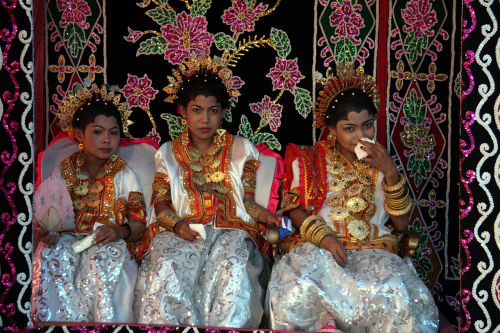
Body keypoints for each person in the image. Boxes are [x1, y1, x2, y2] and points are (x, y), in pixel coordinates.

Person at [266, 64, 439, 332]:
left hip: (374, 250)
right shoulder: (310, 160)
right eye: (350, 128)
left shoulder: (382, 162)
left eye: (368, 125)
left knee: (393, 293)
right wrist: (323, 236)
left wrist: (391, 172)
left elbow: (402, 226)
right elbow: (294, 210)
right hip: (321, 248)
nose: (361, 136)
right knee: (297, 287)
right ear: (331, 129)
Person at [134, 54, 280, 328]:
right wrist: (176, 225)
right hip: (181, 228)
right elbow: (162, 204)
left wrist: (268, 217)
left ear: (223, 112)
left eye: (213, 110)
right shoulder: (167, 153)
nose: (205, 119)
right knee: (167, 260)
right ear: (182, 111)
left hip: (232, 229)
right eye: (196, 110)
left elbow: (247, 202)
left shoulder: (241, 149)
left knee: (232, 262)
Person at [32, 83, 148, 323]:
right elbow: (49, 214)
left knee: (101, 261)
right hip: (70, 241)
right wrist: (48, 233)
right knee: (53, 255)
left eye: (113, 133)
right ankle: (59, 324)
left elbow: (138, 223)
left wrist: (118, 231)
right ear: (78, 134)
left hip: (106, 242)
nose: (106, 139)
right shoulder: (63, 170)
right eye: (97, 131)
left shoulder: (123, 174)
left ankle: (101, 325)